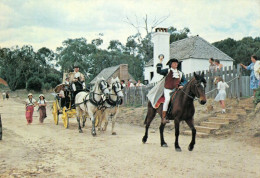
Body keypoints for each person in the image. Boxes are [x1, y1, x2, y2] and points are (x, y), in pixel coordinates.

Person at [157, 55, 187, 124]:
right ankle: (164, 117)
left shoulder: (180, 73)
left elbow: (185, 81)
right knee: (167, 99)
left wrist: (182, 85)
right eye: (174, 63)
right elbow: (159, 71)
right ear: (171, 64)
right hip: (168, 90)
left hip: (177, 90)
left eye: (176, 63)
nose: (176, 64)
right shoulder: (167, 71)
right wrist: (160, 61)